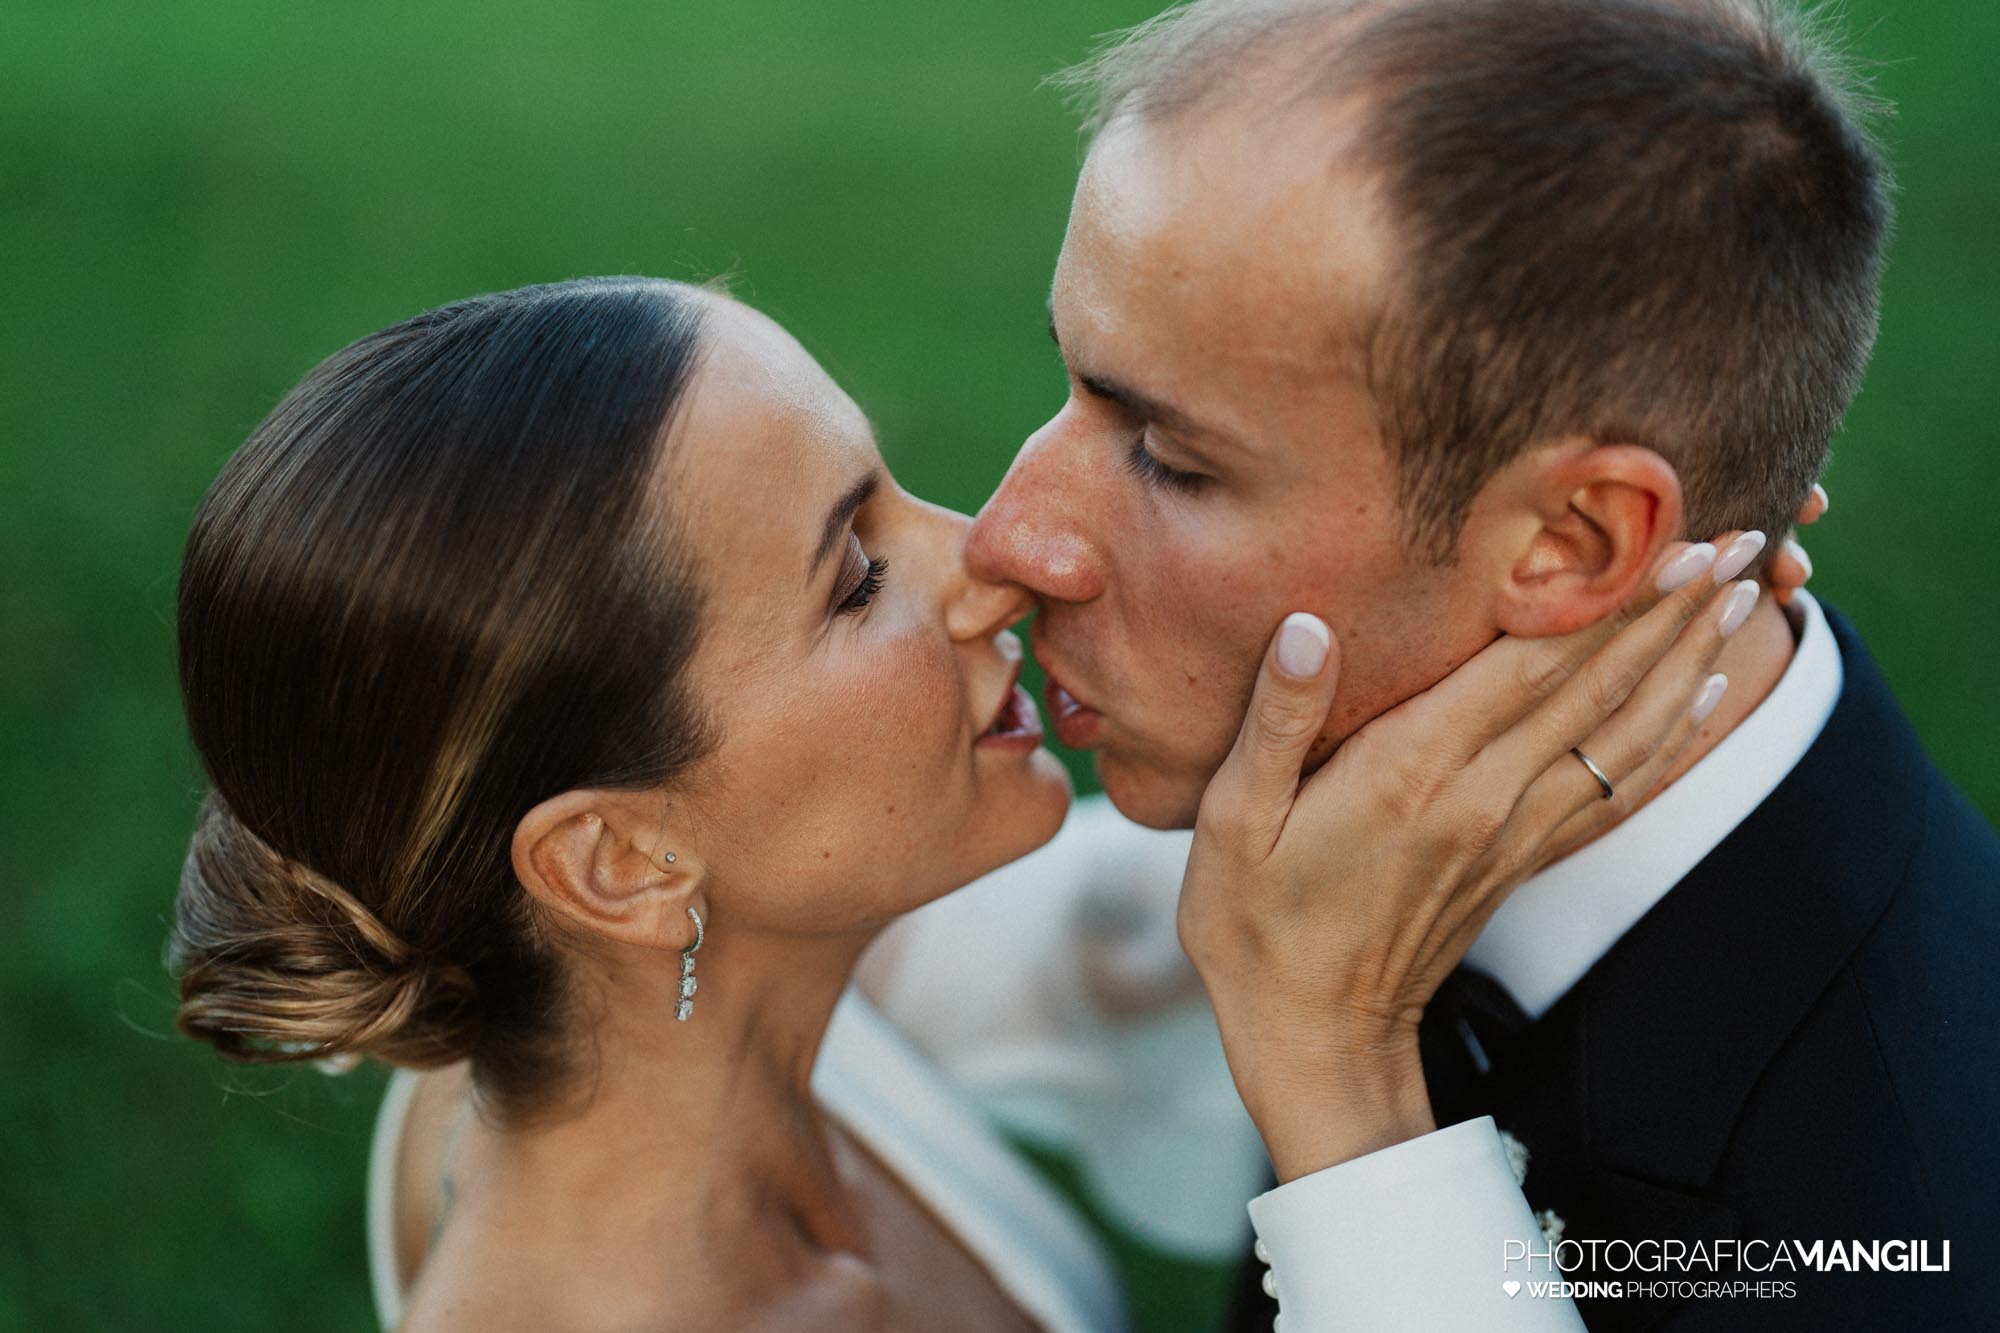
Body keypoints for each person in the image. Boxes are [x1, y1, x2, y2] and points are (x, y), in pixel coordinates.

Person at [169, 277, 1768, 1330]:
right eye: (857, 575)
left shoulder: (621, 1035)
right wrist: (1335, 1069)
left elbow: (1102, 944)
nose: (994, 556)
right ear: (618, 857)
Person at [959, 0, 2000, 1328]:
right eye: (1074, 381)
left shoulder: (1909, 1234)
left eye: (1171, 458)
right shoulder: (1355, 819)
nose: (1008, 538)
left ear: (1575, 544)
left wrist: (1337, 1080)